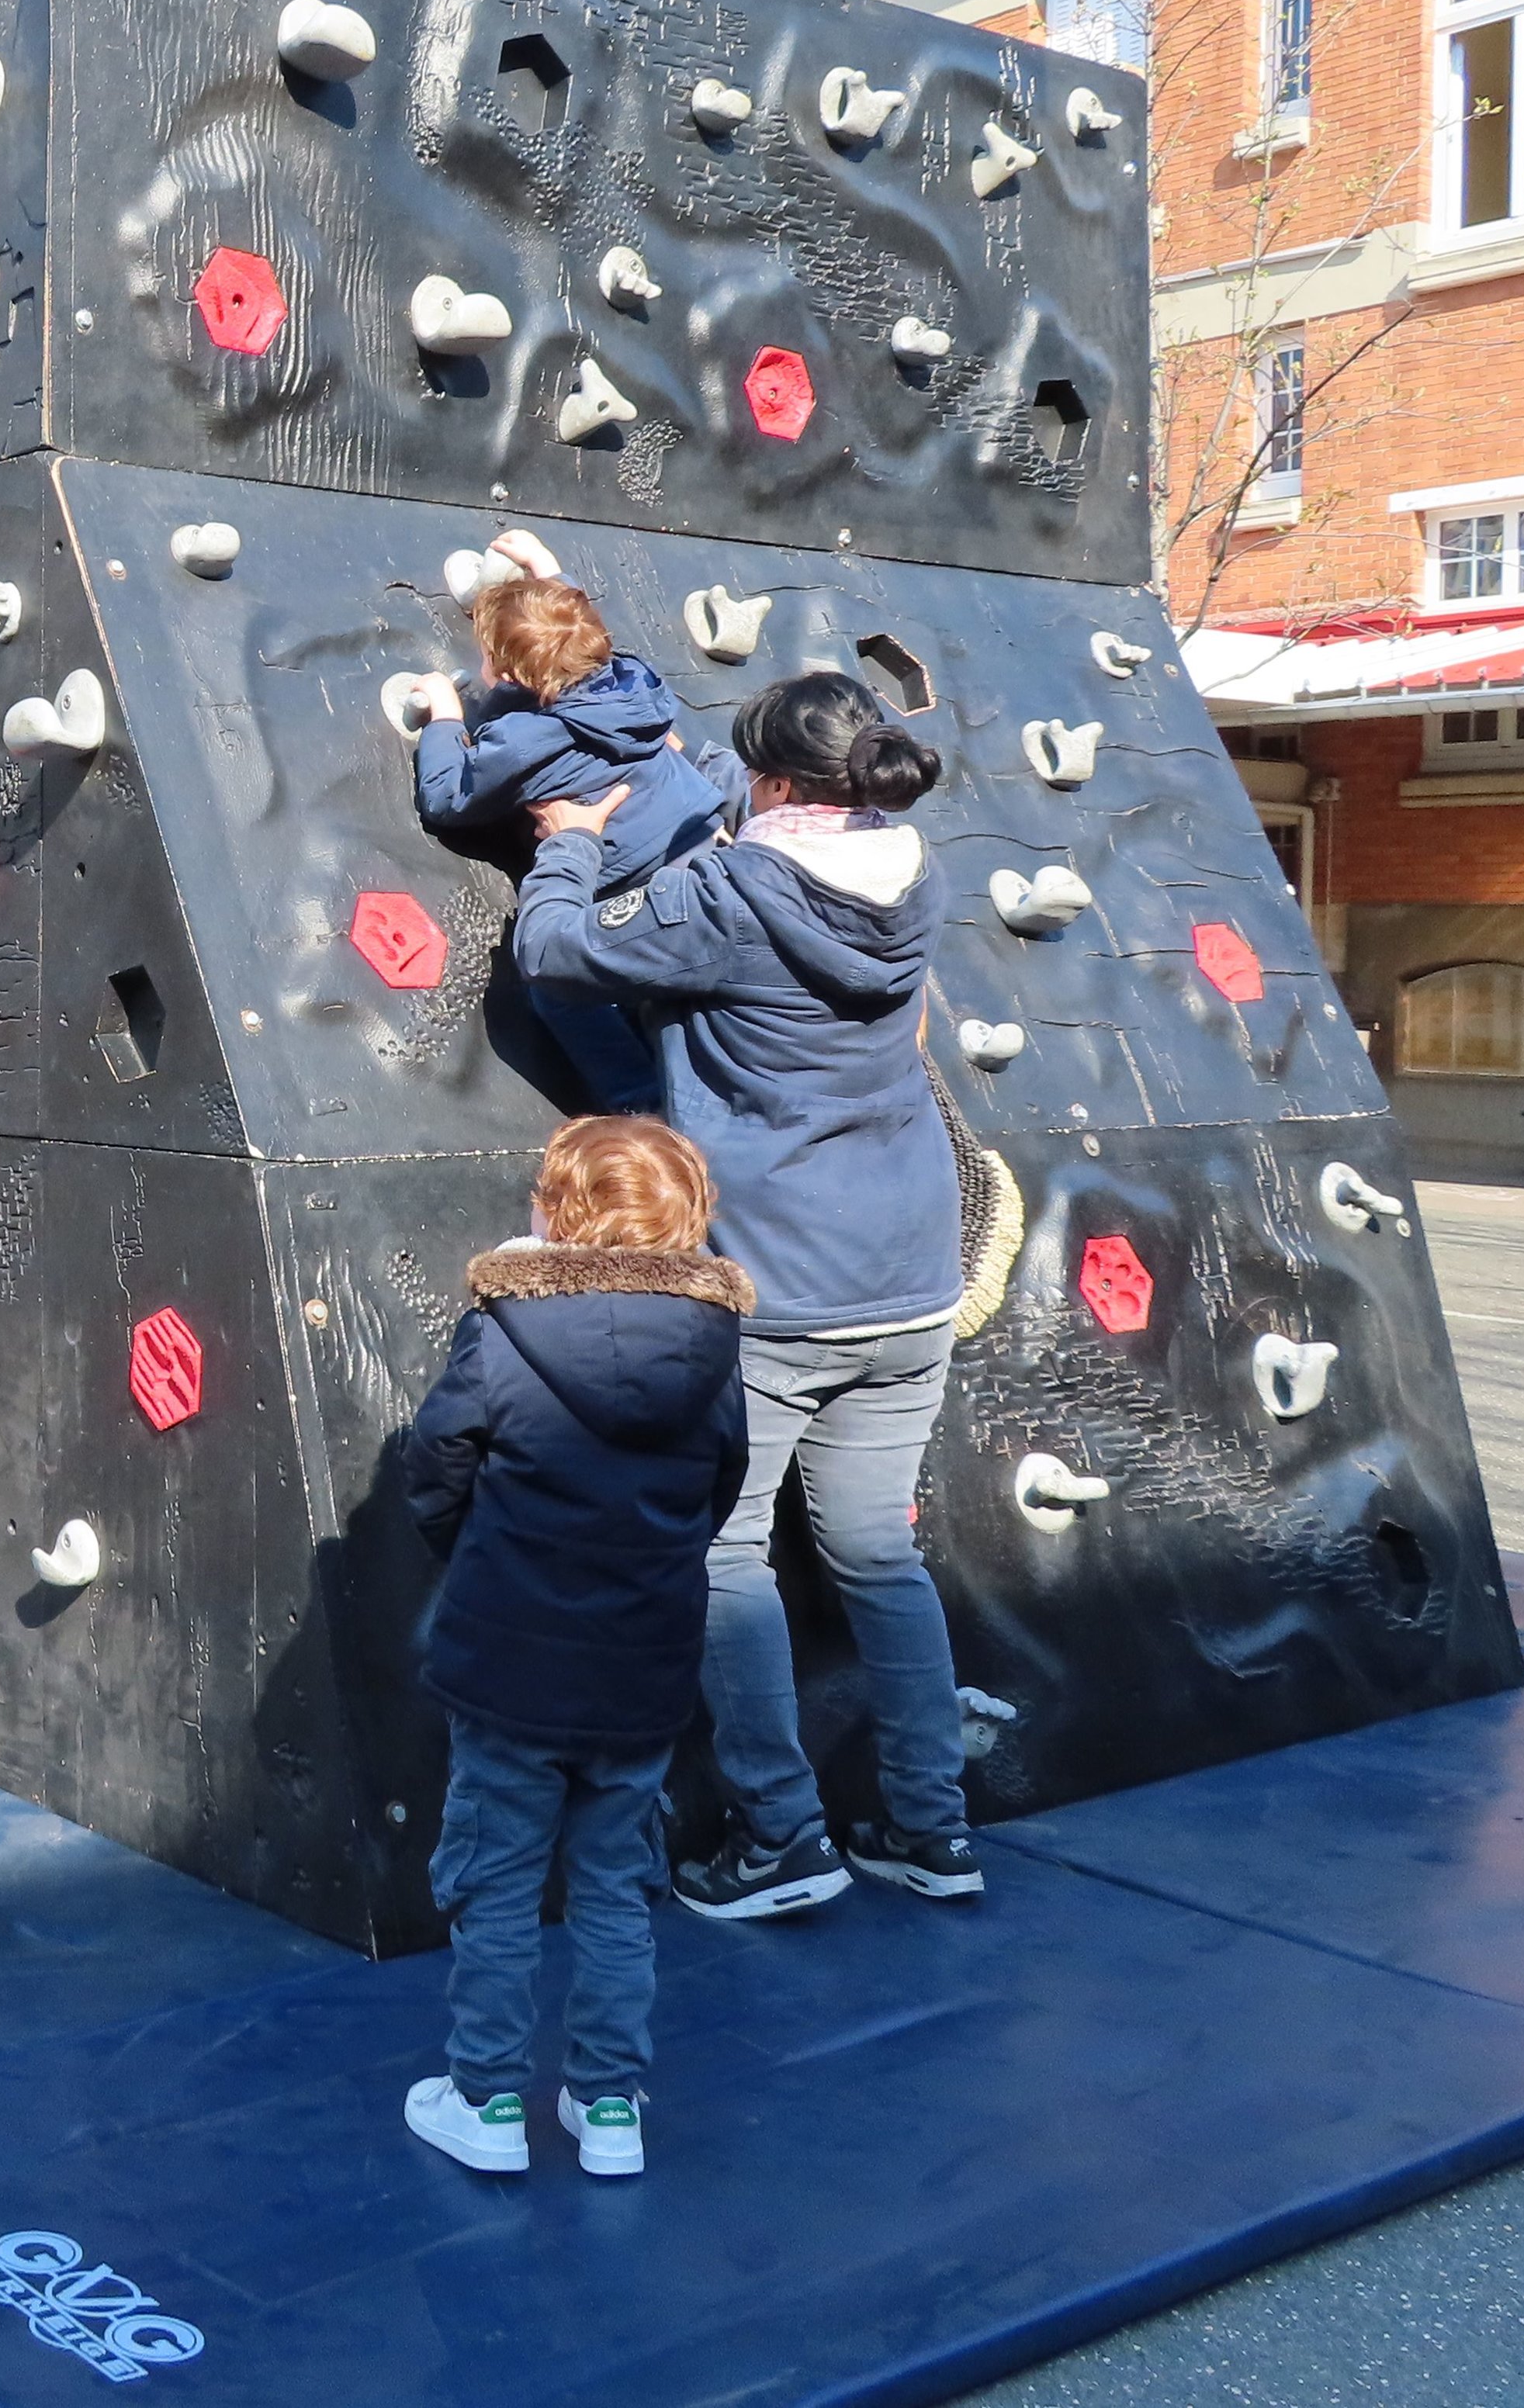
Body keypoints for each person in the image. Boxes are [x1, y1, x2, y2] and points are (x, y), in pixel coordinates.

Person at [509, 669, 979, 1920]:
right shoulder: (914, 872)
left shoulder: (732, 892)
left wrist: (569, 846)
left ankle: (782, 1839)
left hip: (781, 1275)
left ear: (770, 781)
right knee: (880, 1555)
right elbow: (782, 837)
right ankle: (931, 1830)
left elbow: (559, 954)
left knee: (723, 1553)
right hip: (912, 1270)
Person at [400, 1116, 753, 2181]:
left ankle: (489, 2095)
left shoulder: (504, 1327)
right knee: (614, 1888)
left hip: (510, 1664)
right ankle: (609, 2109)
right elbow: (721, 1484)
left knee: (497, 1884)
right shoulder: (713, 1342)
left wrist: (475, 1555)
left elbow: (435, 1465)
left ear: (554, 1212)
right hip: (640, 1668)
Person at [409, 536, 742, 1112]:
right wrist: (548, 575)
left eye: (489, 658)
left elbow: (447, 797)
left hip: (641, 886)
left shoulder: (528, 742)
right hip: (705, 849)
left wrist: (444, 716)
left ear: (512, 676)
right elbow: (585, 642)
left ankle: (641, 1106)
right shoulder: (630, 682)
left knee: (562, 993)